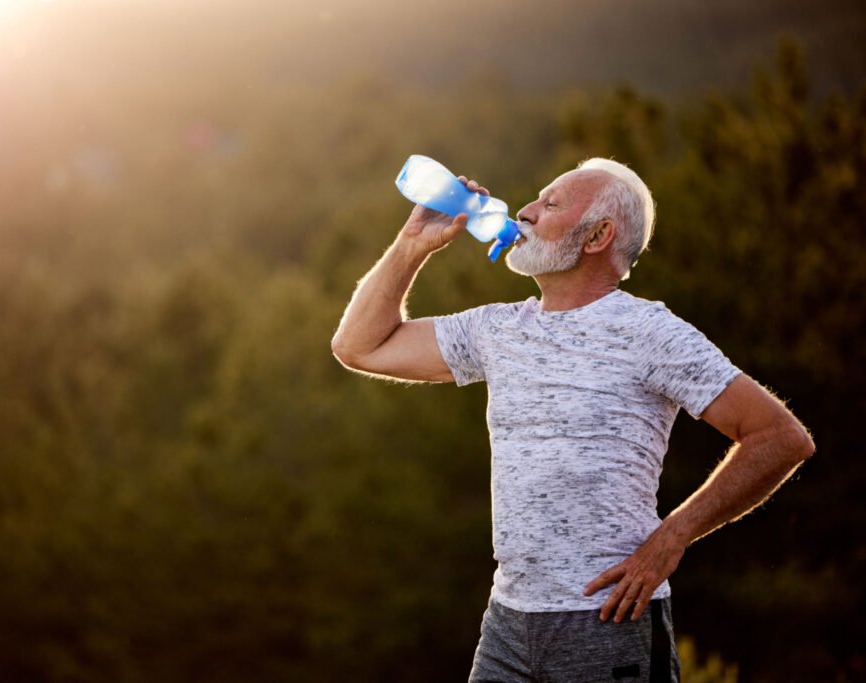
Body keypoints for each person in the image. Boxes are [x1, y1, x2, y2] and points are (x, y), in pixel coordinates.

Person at [330, 158, 815, 682]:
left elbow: (780, 437)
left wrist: (672, 537)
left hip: (609, 619)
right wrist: (411, 246)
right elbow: (358, 346)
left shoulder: (650, 332)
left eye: (551, 204)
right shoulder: (497, 330)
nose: (525, 211)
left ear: (598, 236)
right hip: (508, 624)